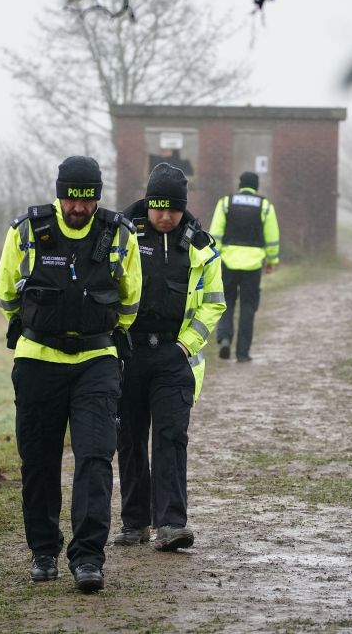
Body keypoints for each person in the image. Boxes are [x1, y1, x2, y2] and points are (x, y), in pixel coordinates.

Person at [0, 155, 141, 593]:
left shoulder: (119, 234)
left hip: (96, 363)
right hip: (38, 360)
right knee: (38, 461)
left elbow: (130, 301)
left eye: (88, 199)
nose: (79, 208)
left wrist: (99, 333)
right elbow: (6, 294)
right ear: (59, 194)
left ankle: (88, 559)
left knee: (95, 459)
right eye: (71, 199)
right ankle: (43, 551)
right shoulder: (27, 231)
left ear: (97, 196)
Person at [113, 163, 225, 551]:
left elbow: (214, 304)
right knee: (128, 439)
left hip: (175, 358)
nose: (165, 216)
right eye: (157, 207)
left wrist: (185, 346)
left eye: (173, 209)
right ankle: (134, 522)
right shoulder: (119, 236)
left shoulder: (202, 247)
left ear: (183, 207)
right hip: (129, 355)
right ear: (147, 202)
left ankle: (172, 523)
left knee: (171, 437)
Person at [209, 171, 280, 362]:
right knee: (248, 306)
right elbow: (272, 238)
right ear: (256, 186)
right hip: (253, 264)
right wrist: (272, 261)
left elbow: (215, 233)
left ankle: (224, 338)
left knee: (226, 303)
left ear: (240, 185)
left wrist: (216, 256)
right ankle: (242, 352)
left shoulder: (225, 202)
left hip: (227, 261)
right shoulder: (265, 206)